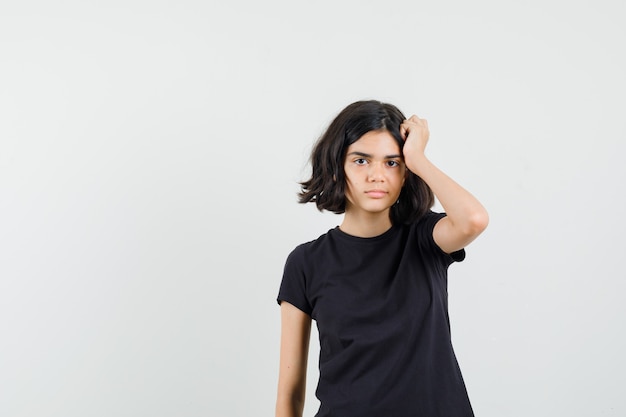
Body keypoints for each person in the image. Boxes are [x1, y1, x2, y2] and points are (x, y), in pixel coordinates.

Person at [275, 100, 489, 417]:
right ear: (336, 169)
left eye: (392, 163)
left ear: (406, 173)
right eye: (361, 161)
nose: (377, 175)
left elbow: (474, 219)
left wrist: (418, 157)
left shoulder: (425, 238)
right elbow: (290, 394)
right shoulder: (306, 262)